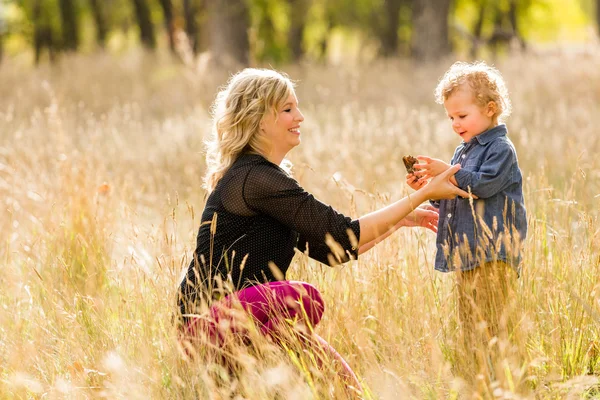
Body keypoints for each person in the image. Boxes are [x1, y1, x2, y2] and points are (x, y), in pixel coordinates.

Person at [177, 68, 471, 393]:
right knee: (304, 298)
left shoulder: (263, 179)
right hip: (207, 323)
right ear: (260, 119)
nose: (300, 117)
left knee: (345, 387)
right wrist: (424, 194)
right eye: (288, 109)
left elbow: (335, 250)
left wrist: (404, 219)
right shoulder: (254, 178)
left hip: (246, 314)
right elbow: (345, 233)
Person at [406, 61, 527, 379]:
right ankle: (476, 377)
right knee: (470, 321)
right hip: (468, 254)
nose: (455, 123)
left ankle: (501, 378)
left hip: (493, 254)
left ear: (490, 109)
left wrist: (444, 173)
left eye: (462, 116)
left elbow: (481, 186)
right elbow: (456, 193)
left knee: (492, 321)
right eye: (451, 117)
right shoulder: (463, 151)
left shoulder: (500, 149)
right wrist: (430, 189)